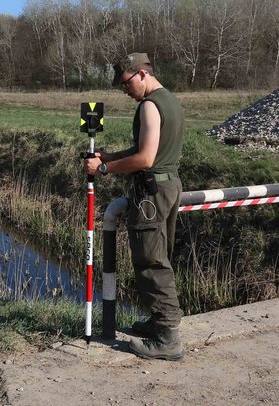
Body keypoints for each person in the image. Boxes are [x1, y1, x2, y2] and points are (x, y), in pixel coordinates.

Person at [84, 53, 185, 361]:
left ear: (141, 74)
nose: (124, 90)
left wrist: (103, 170)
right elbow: (143, 149)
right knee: (158, 257)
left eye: (126, 83)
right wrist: (110, 156)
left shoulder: (150, 106)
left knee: (151, 264)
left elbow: (145, 159)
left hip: (152, 194)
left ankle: (168, 339)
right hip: (168, 187)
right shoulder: (169, 100)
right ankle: (159, 323)